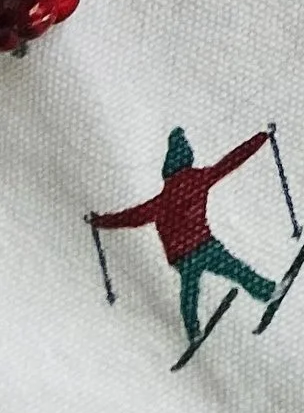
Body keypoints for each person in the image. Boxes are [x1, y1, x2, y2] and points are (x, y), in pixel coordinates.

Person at [90, 127, 277, 350]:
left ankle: (193, 331)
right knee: (236, 269)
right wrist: (261, 138)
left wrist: (100, 221)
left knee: (189, 292)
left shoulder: (162, 201)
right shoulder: (200, 179)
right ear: (188, 159)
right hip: (206, 245)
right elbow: (231, 161)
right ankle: (267, 291)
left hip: (183, 255)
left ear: (168, 168)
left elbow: (132, 217)